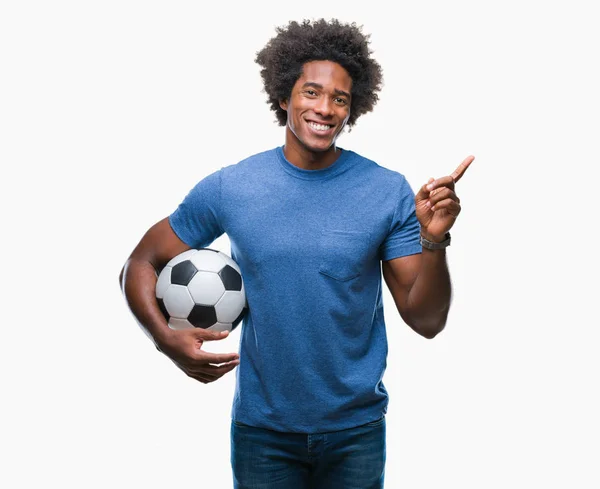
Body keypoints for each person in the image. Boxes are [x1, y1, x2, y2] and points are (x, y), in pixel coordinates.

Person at [119, 18, 474, 489]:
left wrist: (433, 240)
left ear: (353, 110)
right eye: (311, 92)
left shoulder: (387, 191)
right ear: (283, 97)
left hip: (357, 431)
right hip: (263, 432)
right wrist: (165, 340)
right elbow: (141, 262)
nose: (325, 108)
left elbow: (426, 321)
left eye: (340, 99)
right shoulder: (232, 187)